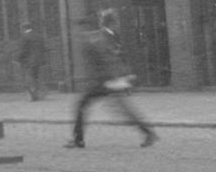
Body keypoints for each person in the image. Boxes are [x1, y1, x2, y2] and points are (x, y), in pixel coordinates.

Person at [65, 13, 157, 149]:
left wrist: (115, 77)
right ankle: (148, 133)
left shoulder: (94, 39)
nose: (76, 32)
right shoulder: (94, 38)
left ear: (83, 27)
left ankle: (78, 140)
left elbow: (107, 58)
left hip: (104, 82)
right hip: (103, 81)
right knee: (120, 110)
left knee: (86, 106)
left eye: (78, 28)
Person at [17, 23, 47, 101]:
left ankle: (33, 96)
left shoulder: (24, 37)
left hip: (29, 61)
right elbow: (43, 48)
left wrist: (17, 59)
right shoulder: (39, 36)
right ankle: (41, 94)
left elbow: (23, 50)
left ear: (24, 29)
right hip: (39, 60)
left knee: (30, 78)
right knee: (37, 77)